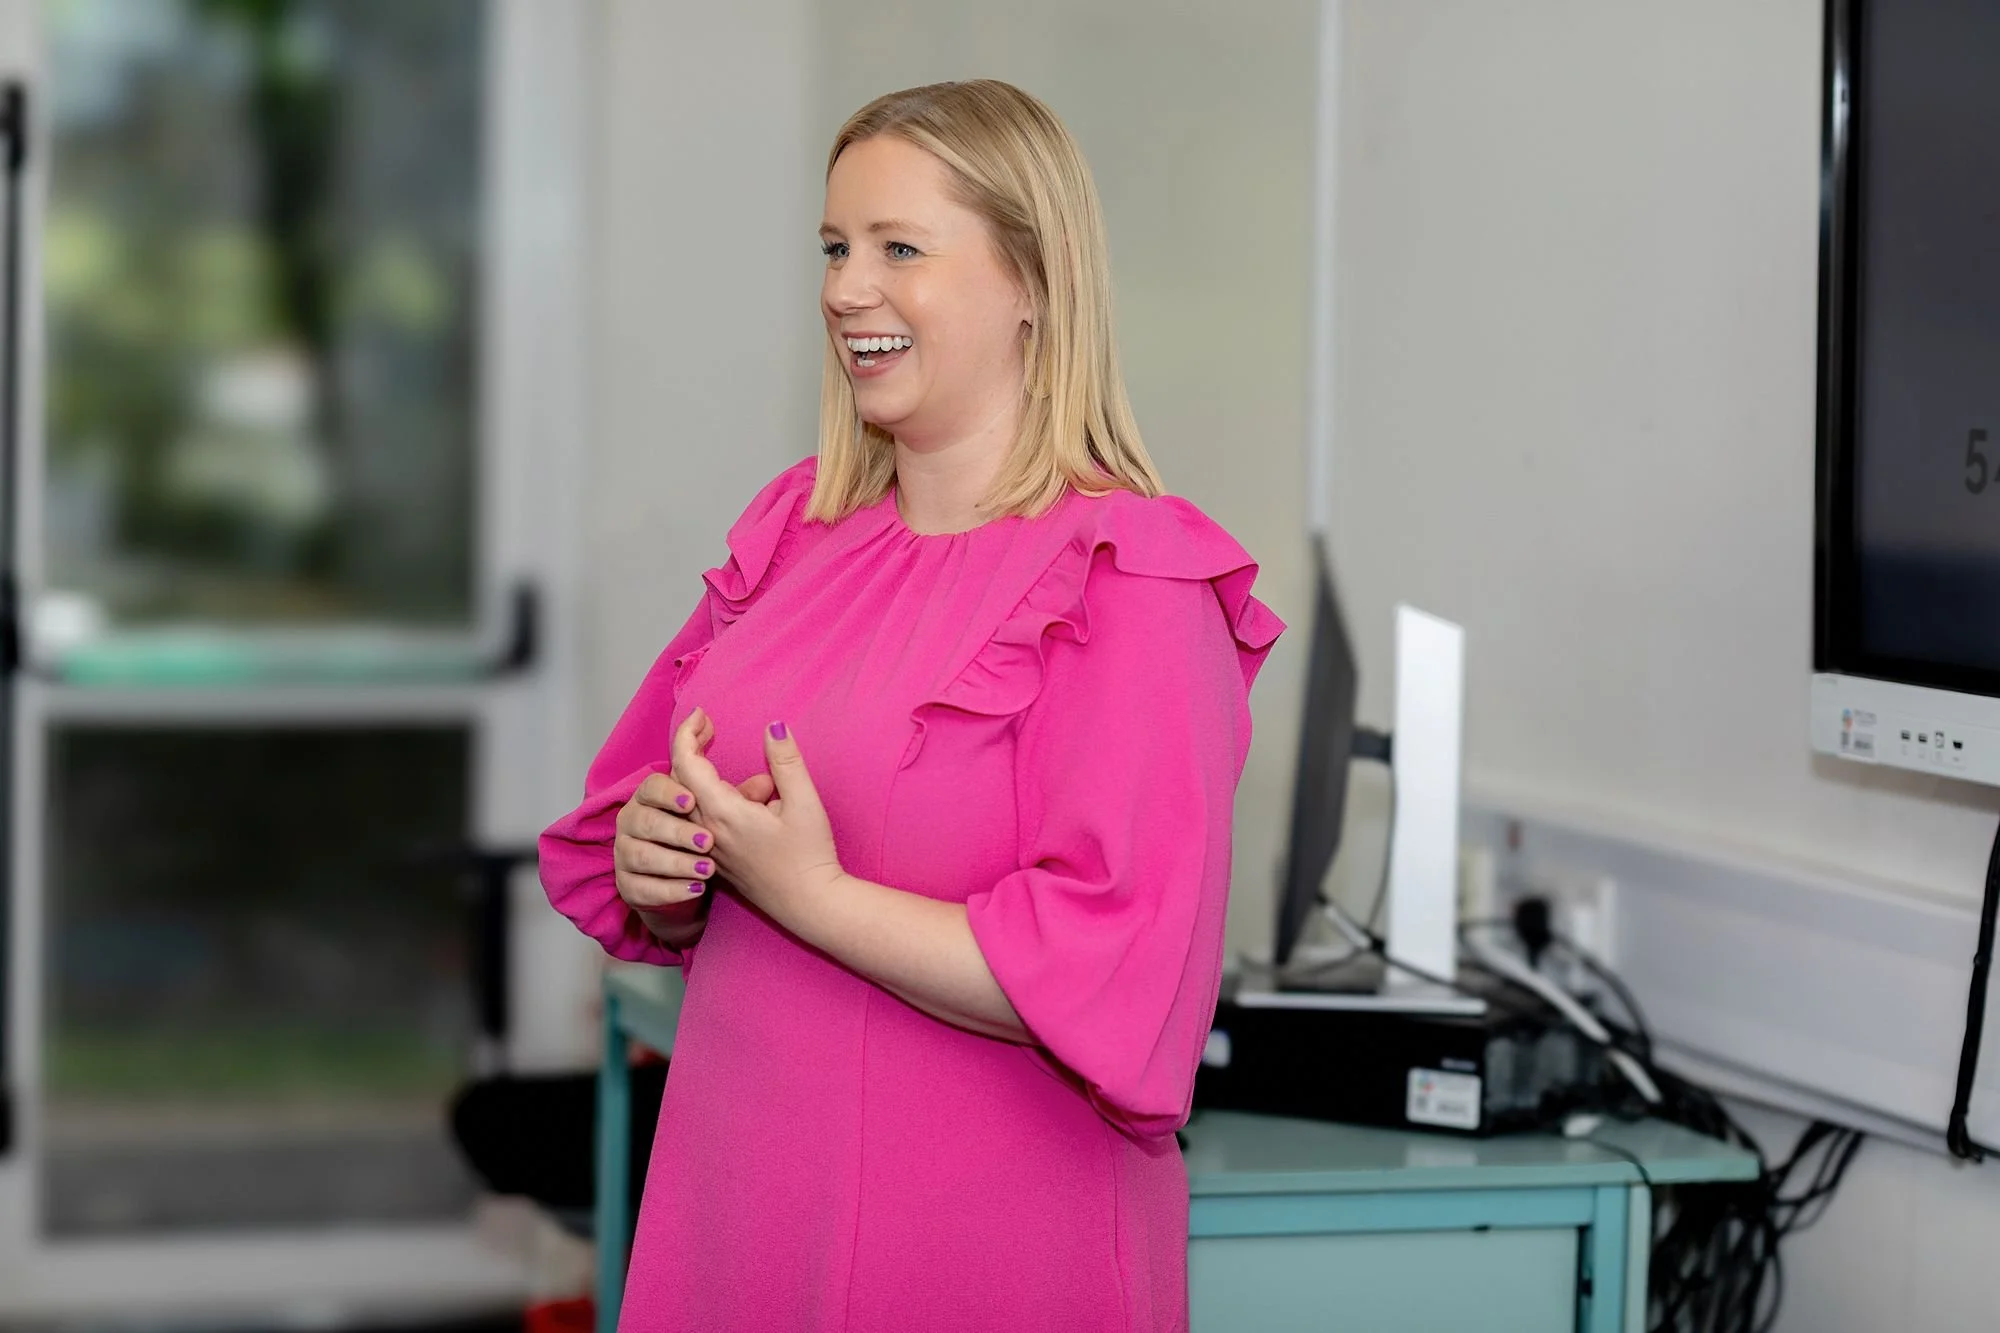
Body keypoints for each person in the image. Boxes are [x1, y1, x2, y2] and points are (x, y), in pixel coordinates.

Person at [539, 79, 1283, 1332]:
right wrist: (660, 863)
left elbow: (1123, 969)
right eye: (834, 248)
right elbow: (632, 837)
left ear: (1032, 282)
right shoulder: (797, 535)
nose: (845, 289)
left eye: (898, 249)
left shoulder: (1132, 577)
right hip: (739, 1213)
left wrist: (812, 892)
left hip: (982, 1244)